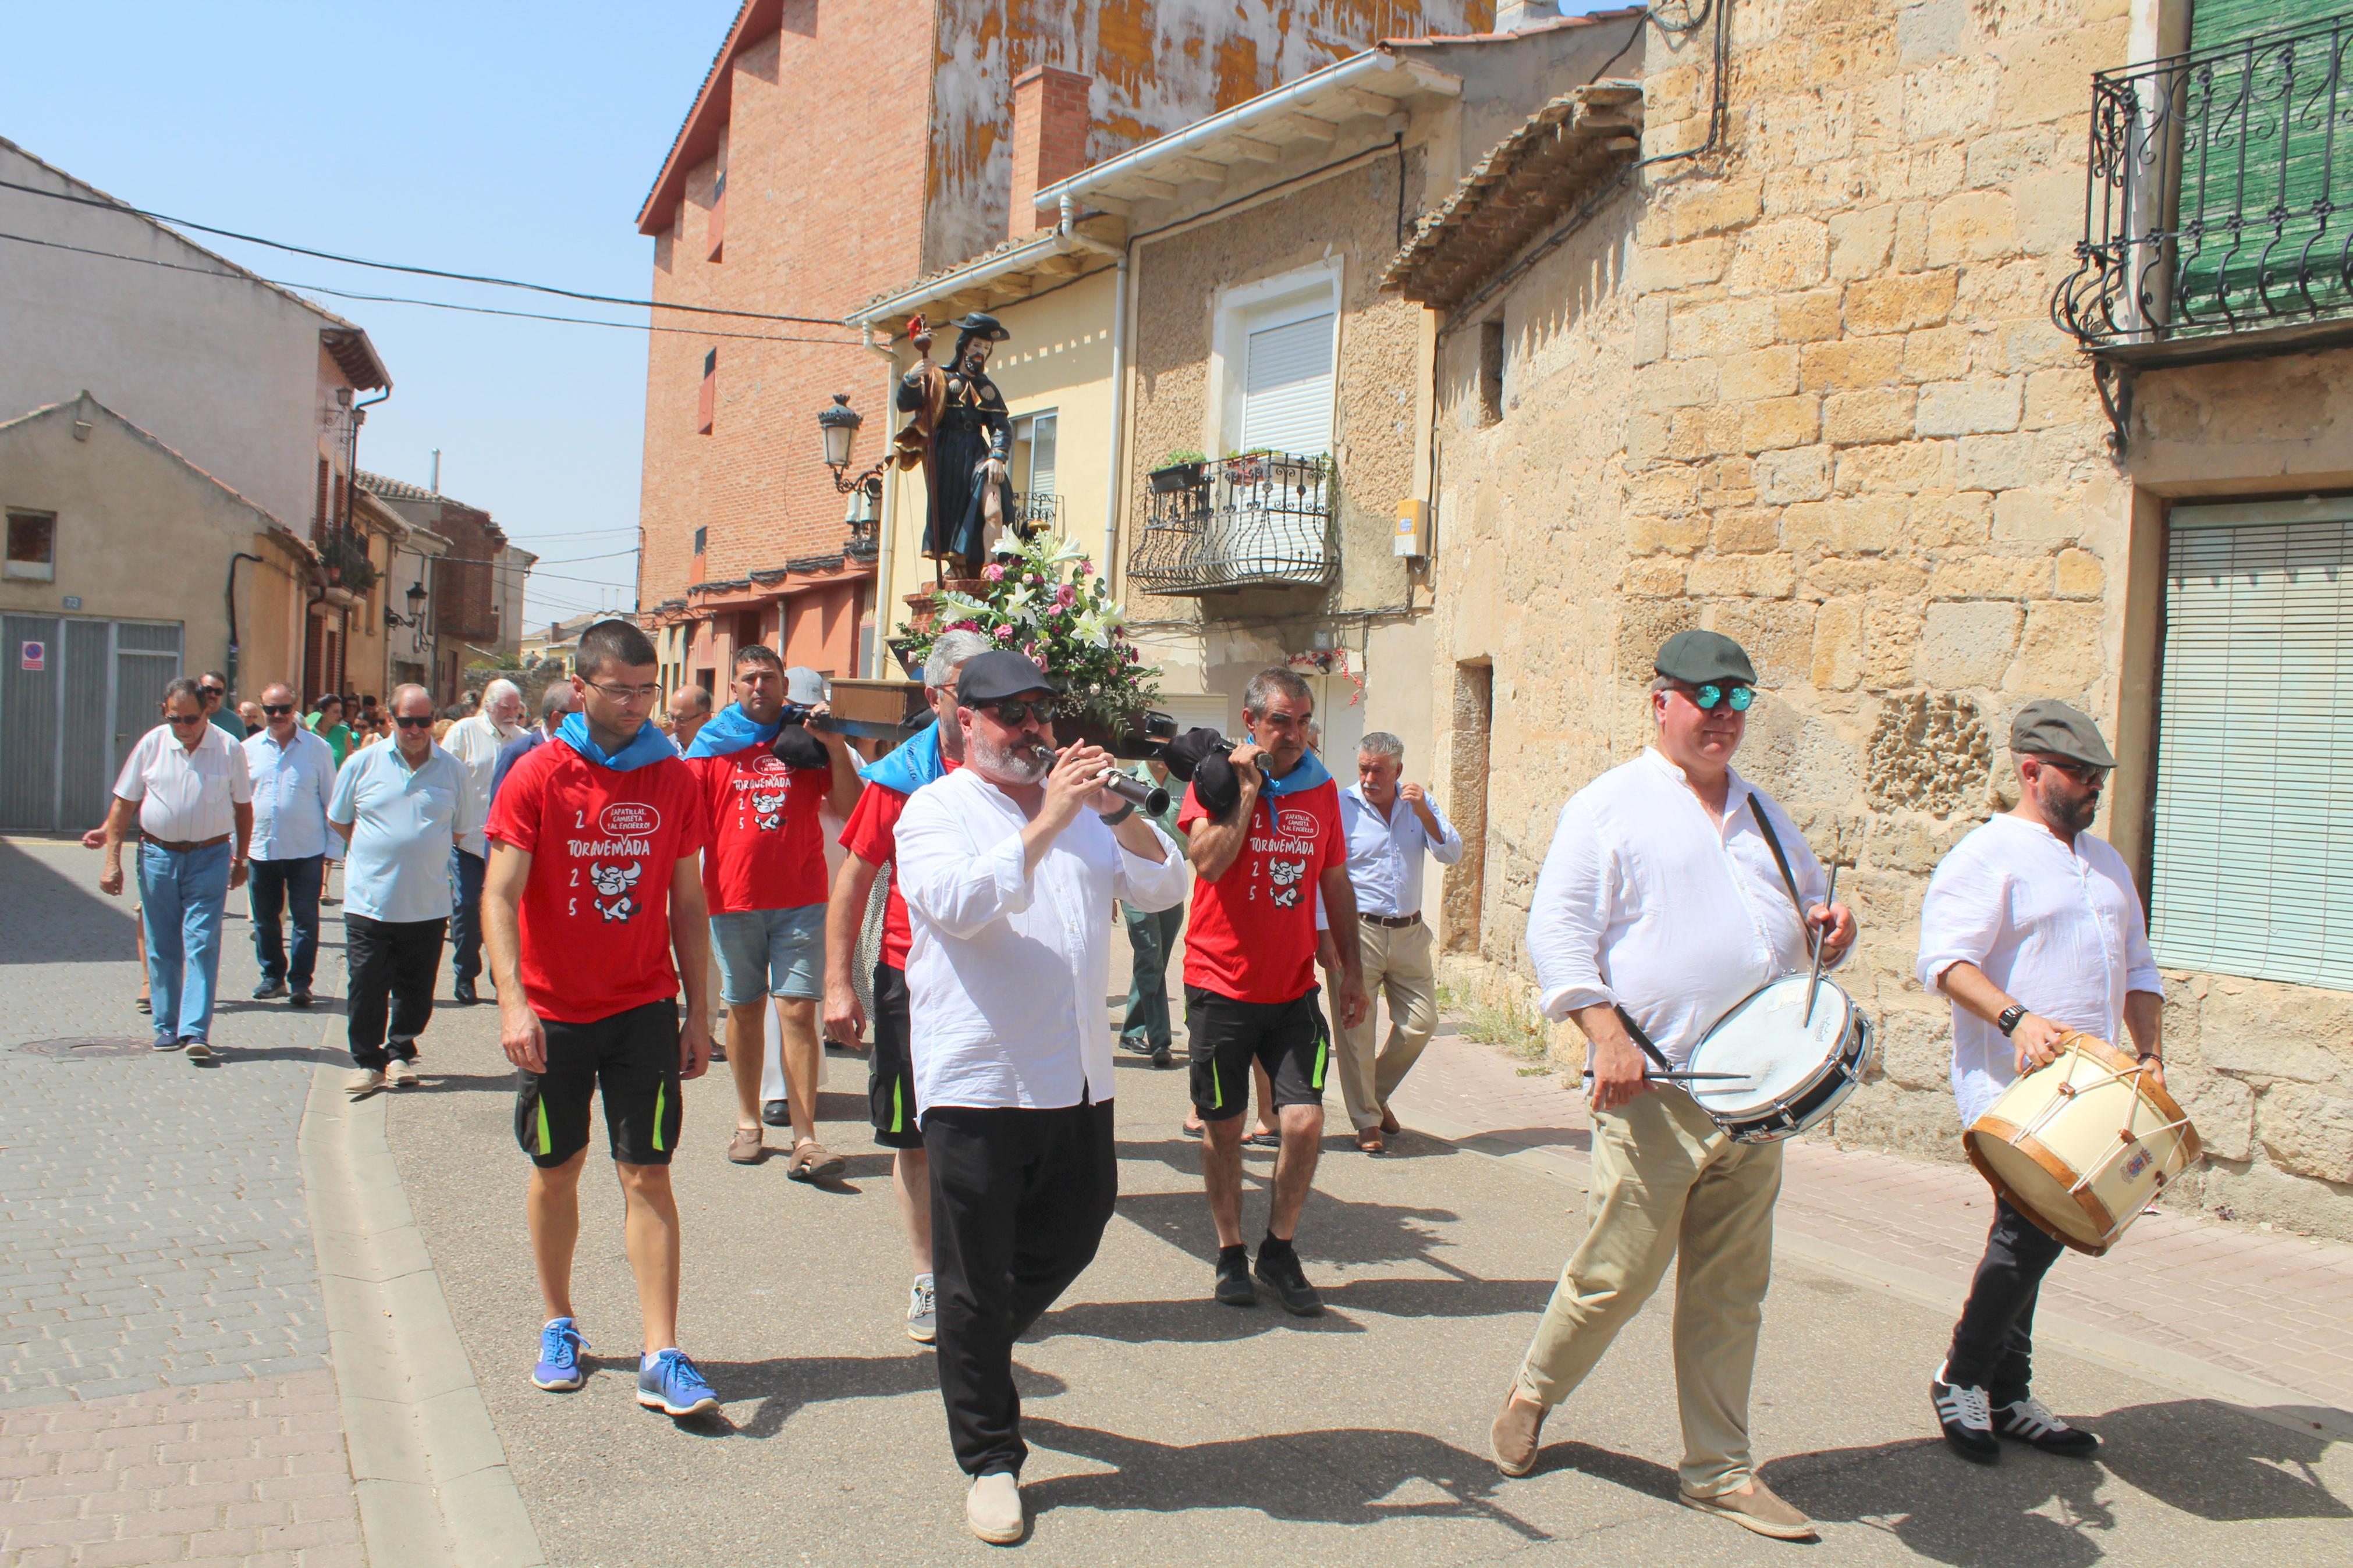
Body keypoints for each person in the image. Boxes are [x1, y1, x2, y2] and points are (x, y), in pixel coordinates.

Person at [1493, 631, 1855, 1542]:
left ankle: (1718, 1472)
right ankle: (1535, 1389)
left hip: (1756, 1096)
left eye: (1738, 702)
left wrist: (1829, 926)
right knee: (1614, 1276)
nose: (1723, 718)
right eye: (1705, 699)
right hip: (1653, 1086)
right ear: (1660, 702)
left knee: (1730, 1291)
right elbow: (1558, 935)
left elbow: (1804, 910)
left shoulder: (1764, 812)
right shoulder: (1608, 807)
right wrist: (1602, 1032)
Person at [894, 650, 1188, 1542]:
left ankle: (969, 1350)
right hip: (979, 1078)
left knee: (1080, 1223)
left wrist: (1115, 813)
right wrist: (1051, 815)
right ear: (965, 723)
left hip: (1077, 1075)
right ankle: (989, 1454)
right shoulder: (935, 809)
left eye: (1038, 711)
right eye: (1009, 713)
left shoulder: (1087, 813)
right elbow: (954, 902)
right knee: (974, 1275)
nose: (1030, 727)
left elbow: (1165, 882)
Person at [482, 619, 719, 1418]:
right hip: (552, 1014)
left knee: (648, 1170)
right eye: (620, 690)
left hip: (642, 1007)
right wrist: (513, 1001)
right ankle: (559, 1323)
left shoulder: (673, 778)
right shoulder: (538, 772)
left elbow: (688, 904)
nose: (636, 705)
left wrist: (700, 1011)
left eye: (647, 690)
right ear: (579, 687)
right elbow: (499, 895)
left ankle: (661, 1350)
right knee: (557, 1167)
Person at [1917, 699, 2160, 1466]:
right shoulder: (1985, 855)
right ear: (2030, 770)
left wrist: (2148, 1052)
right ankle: (1961, 1374)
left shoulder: (2105, 860)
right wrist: (2014, 1016)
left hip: (2092, 1086)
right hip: (2012, 1084)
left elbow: (2139, 966)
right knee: (2030, 1231)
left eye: (2097, 774)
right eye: (2079, 772)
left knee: (2037, 1233)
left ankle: (2004, 1388)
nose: (2093, 786)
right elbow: (1945, 960)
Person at [1178, 668, 1367, 1315]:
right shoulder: (1213, 779)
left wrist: (1351, 972)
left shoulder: (1323, 791)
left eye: (1303, 720)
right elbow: (1206, 860)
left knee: (1304, 1120)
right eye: (1281, 721)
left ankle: (1279, 1250)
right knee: (1225, 1127)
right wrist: (1249, 790)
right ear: (1252, 720)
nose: (1294, 734)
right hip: (1218, 984)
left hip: (1290, 990)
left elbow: (1335, 883)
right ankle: (1231, 1253)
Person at [825, 628, 991, 1343]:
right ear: (937, 697)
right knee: (913, 1135)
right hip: (907, 976)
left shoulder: (1013, 768)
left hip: (989, 979)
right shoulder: (899, 778)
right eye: (968, 692)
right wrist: (839, 984)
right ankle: (928, 1276)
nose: (984, 706)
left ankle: (983, 1270)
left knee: (986, 1132)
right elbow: (853, 881)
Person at [686, 647, 860, 1170]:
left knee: (798, 1012)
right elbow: (686, 824)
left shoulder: (805, 739)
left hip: (802, 899)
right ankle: (747, 1120)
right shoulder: (710, 747)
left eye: (768, 677)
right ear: (733, 688)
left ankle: (806, 1138)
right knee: (743, 1008)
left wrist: (835, 748)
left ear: (784, 684)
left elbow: (851, 807)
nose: (759, 686)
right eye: (748, 678)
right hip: (732, 898)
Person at [330, 686, 480, 1095]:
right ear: (390, 720)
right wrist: (377, 850)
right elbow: (341, 820)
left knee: (416, 988)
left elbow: (460, 829)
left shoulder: (452, 770)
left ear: (433, 720)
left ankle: (400, 1053)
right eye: (406, 721)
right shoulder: (361, 764)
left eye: (423, 721)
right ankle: (367, 1060)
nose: (415, 729)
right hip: (370, 902)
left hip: (427, 903)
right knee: (366, 984)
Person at [96, 677, 253, 1061]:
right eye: (174, 718)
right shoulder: (152, 744)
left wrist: (242, 859)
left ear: (207, 712)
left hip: (211, 855)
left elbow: (244, 808)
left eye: (191, 718)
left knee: (201, 941)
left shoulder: (229, 747)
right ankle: (167, 1025)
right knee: (162, 941)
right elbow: (123, 804)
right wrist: (111, 861)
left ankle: (196, 1029)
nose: (183, 726)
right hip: (157, 855)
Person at [1335, 731, 1463, 1153]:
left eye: (1378, 770)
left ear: (1398, 771)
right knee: (1357, 1030)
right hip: (1359, 932)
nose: (1369, 778)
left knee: (1421, 1023)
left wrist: (1425, 812)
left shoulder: (1417, 805)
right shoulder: (1342, 805)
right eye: (1363, 768)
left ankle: (1374, 1094)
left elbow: (1451, 853)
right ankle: (1366, 1121)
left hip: (1409, 933)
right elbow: (1325, 873)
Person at [243, 684, 336, 1008]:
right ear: (262, 709)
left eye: (284, 709)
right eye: (271, 710)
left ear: (295, 708)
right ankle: (272, 977)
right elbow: (239, 802)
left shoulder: (318, 749)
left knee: (306, 919)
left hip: (306, 849)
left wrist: (333, 851)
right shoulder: (249, 749)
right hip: (262, 848)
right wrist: (235, 848)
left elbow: (331, 803)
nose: (278, 716)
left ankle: (300, 982)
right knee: (266, 919)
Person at [443, 678, 527, 1005]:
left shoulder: (524, 741)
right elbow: (445, 777)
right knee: (466, 910)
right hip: (467, 841)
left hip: (507, 846)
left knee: (508, 909)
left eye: (515, 707)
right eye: (504, 706)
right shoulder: (464, 732)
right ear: (488, 705)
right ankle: (465, 973)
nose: (510, 713)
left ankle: (502, 975)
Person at [1116, 756, 1188, 1069]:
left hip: (1171, 884)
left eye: (1166, 747)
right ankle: (1161, 1041)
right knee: (1150, 956)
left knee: (1154, 961)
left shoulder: (1185, 785)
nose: (1161, 753)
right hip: (1135, 885)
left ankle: (1131, 1029)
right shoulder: (1127, 780)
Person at [492, 682, 576, 804]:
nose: (585, 721)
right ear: (557, 718)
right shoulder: (518, 753)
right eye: (579, 715)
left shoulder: (583, 753)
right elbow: (499, 807)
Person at [307, 694, 353, 768]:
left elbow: (350, 766)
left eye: (340, 711)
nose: (340, 716)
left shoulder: (344, 734)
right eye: (336, 712)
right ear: (322, 712)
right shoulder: (308, 733)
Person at [666, 684, 714, 755]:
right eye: (672, 717)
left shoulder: (718, 755)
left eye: (682, 719)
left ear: (705, 718)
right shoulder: (659, 753)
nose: (675, 727)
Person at [197, 671, 244, 739]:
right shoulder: (187, 717)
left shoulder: (235, 722)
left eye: (218, 692)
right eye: (208, 690)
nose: (213, 695)